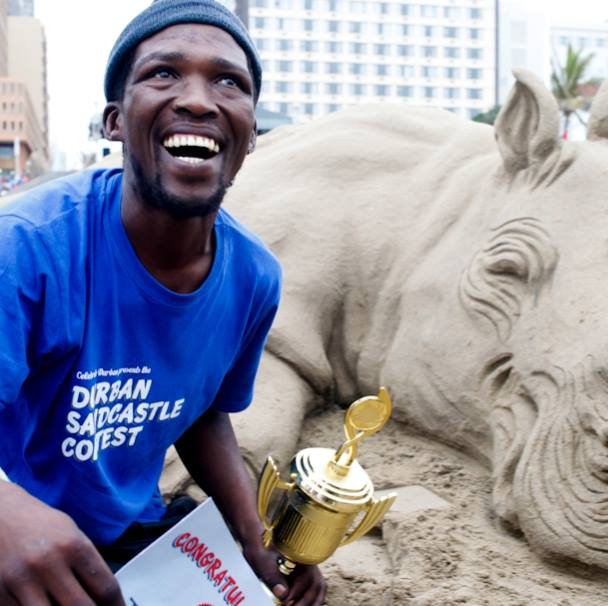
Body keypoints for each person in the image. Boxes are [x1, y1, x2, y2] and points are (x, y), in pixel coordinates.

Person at [0, 1, 326, 604]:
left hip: (130, 535)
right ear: (116, 121)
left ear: (251, 133)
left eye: (229, 81)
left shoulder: (255, 278)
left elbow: (202, 412)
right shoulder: (26, 247)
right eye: (163, 74)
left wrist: (254, 536)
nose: (199, 100)